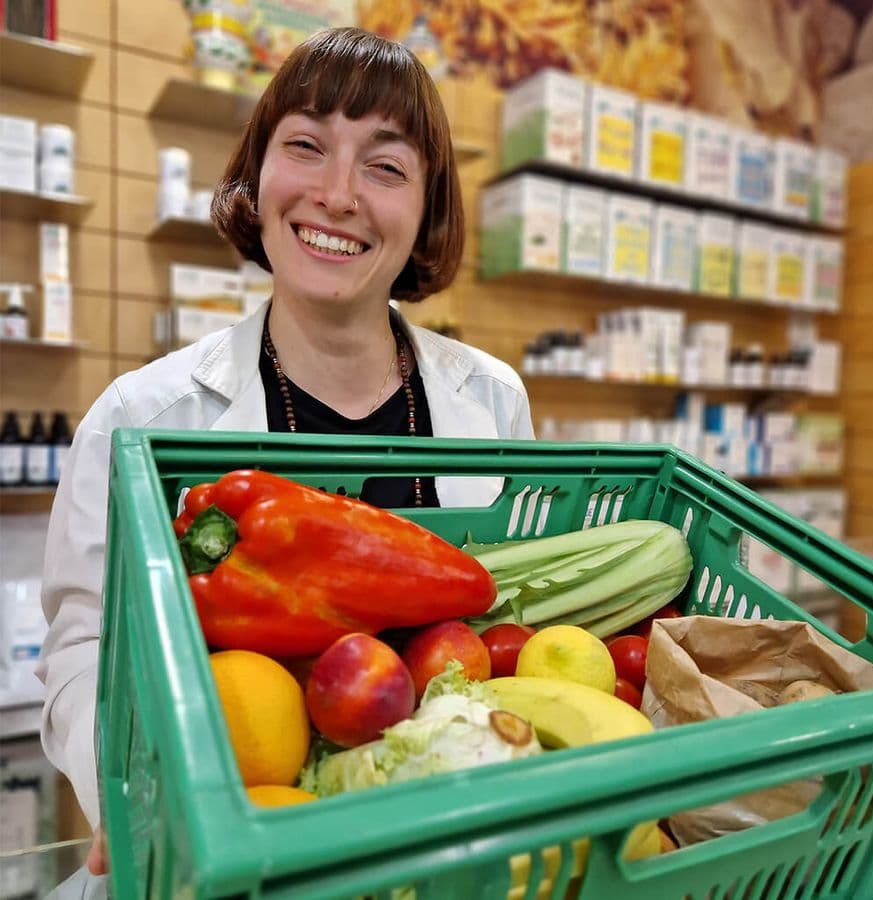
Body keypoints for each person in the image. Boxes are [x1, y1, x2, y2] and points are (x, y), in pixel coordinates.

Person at [37, 26, 533, 895]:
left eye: (385, 166)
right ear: (256, 178)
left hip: (439, 828)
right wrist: (126, 789)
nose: (337, 195)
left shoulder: (492, 401)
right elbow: (84, 645)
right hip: (228, 833)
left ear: (427, 212)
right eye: (305, 146)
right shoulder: (142, 415)